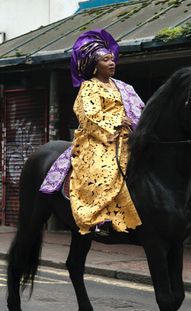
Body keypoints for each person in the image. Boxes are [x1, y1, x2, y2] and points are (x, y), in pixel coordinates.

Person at [69, 29, 144, 236]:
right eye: (105, 60)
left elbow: (140, 109)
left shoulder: (124, 87)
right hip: (100, 138)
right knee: (105, 169)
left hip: (130, 134)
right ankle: (99, 218)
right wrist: (118, 121)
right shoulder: (89, 87)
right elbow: (88, 116)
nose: (112, 63)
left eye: (112, 59)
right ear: (94, 66)